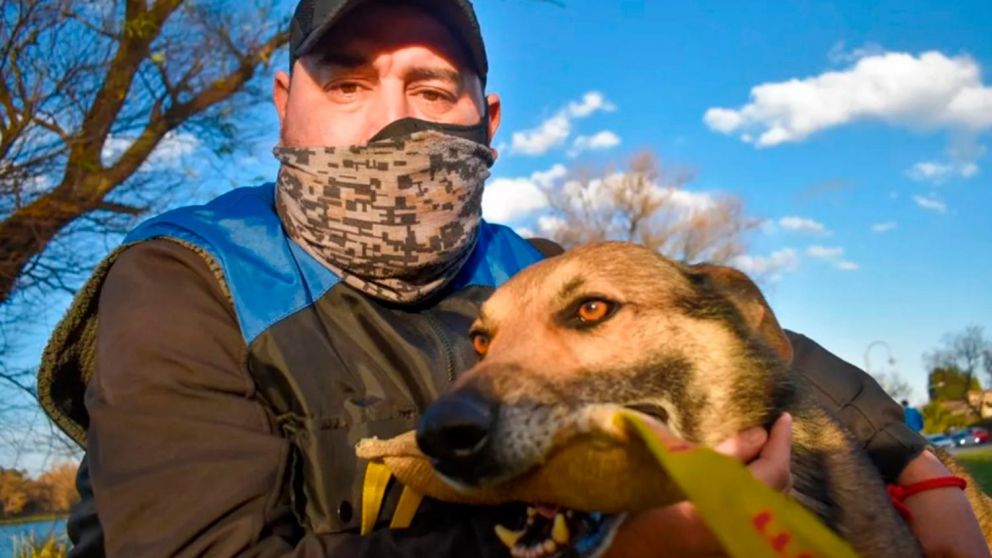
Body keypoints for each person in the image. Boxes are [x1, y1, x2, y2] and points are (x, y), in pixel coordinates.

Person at [37, 0, 986, 556]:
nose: (388, 124)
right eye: (347, 83)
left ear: (485, 121)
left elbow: (752, 334)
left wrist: (920, 471)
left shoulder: (524, 265)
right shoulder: (183, 280)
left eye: (431, 88)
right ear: (287, 104)